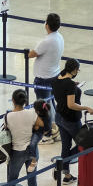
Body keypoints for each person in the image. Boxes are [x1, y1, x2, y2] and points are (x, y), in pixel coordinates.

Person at [52, 59, 93, 182]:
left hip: (59, 116)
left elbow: (61, 93)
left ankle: (66, 175)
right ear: (75, 70)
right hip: (70, 119)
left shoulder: (57, 79)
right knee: (84, 143)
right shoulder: (69, 85)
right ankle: (60, 165)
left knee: (66, 145)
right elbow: (71, 104)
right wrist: (86, 107)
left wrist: (73, 87)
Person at [2, 90, 39, 186]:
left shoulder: (8, 116)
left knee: (11, 181)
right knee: (32, 181)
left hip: (16, 151)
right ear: (25, 101)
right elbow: (39, 126)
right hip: (32, 152)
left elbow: (6, 131)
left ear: (13, 100)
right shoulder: (32, 113)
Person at [28, 12, 63, 144]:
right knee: (50, 104)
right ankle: (55, 128)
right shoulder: (59, 37)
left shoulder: (47, 41)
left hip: (43, 78)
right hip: (54, 74)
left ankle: (47, 133)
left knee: (43, 107)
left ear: (47, 25)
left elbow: (32, 54)